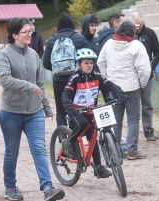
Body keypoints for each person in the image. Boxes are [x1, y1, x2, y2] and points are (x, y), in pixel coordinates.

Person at [0, 17, 65, 201]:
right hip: (11, 113)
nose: (30, 34)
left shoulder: (34, 54)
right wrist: (28, 85)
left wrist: (47, 107)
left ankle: (47, 187)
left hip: (34, 113)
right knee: (12, 151)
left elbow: (40, 83)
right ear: (14, 35)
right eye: (26, 31)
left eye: (30, 31)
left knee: (39, 149)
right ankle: (10, 187)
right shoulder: (4, 54)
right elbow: (4, 79)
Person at [62, 48, 124, 177]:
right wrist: (69, 107)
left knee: (94, 135)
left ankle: (99, 167)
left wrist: (119, 92)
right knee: (83, 123)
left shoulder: (97, 76)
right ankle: (70, 143)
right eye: (86, 63)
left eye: (91, 63)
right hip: (76, 111)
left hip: (91, 110)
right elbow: (66, 94)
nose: (89, 65)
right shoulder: (75, 78)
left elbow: (108, 84)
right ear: (78, 64)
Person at [97, 20, 151, 160]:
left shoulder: (109, 44)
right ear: (133, 32)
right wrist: (142, 83)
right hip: (132, 87)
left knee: (116, 121)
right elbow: (144, 69)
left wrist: (108, 78)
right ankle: (132, 150)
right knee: (133, 120)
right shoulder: (137, 46)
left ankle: (116, 150)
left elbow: (100, 62)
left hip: (114, 88)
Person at [43, 12, 89, 127]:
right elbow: (88, 59)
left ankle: (63, 139)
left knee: (60, 111)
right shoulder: (80, 38)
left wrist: (58, 70)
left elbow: (46, 63)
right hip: (76, 78)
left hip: (58, 80)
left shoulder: (52, 40)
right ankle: (74, 136)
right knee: (75, 107)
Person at [130, 12, 159, 141]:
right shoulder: (128, 35)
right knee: (133, 105)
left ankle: (148, 130)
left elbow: (158, 53)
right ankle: (133, 132)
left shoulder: (150, 33)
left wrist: (150, 67)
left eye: (140, 24)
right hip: (132, 75)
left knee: (147, 103)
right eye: (135, 24)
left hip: (147, 75)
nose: (137, 27)